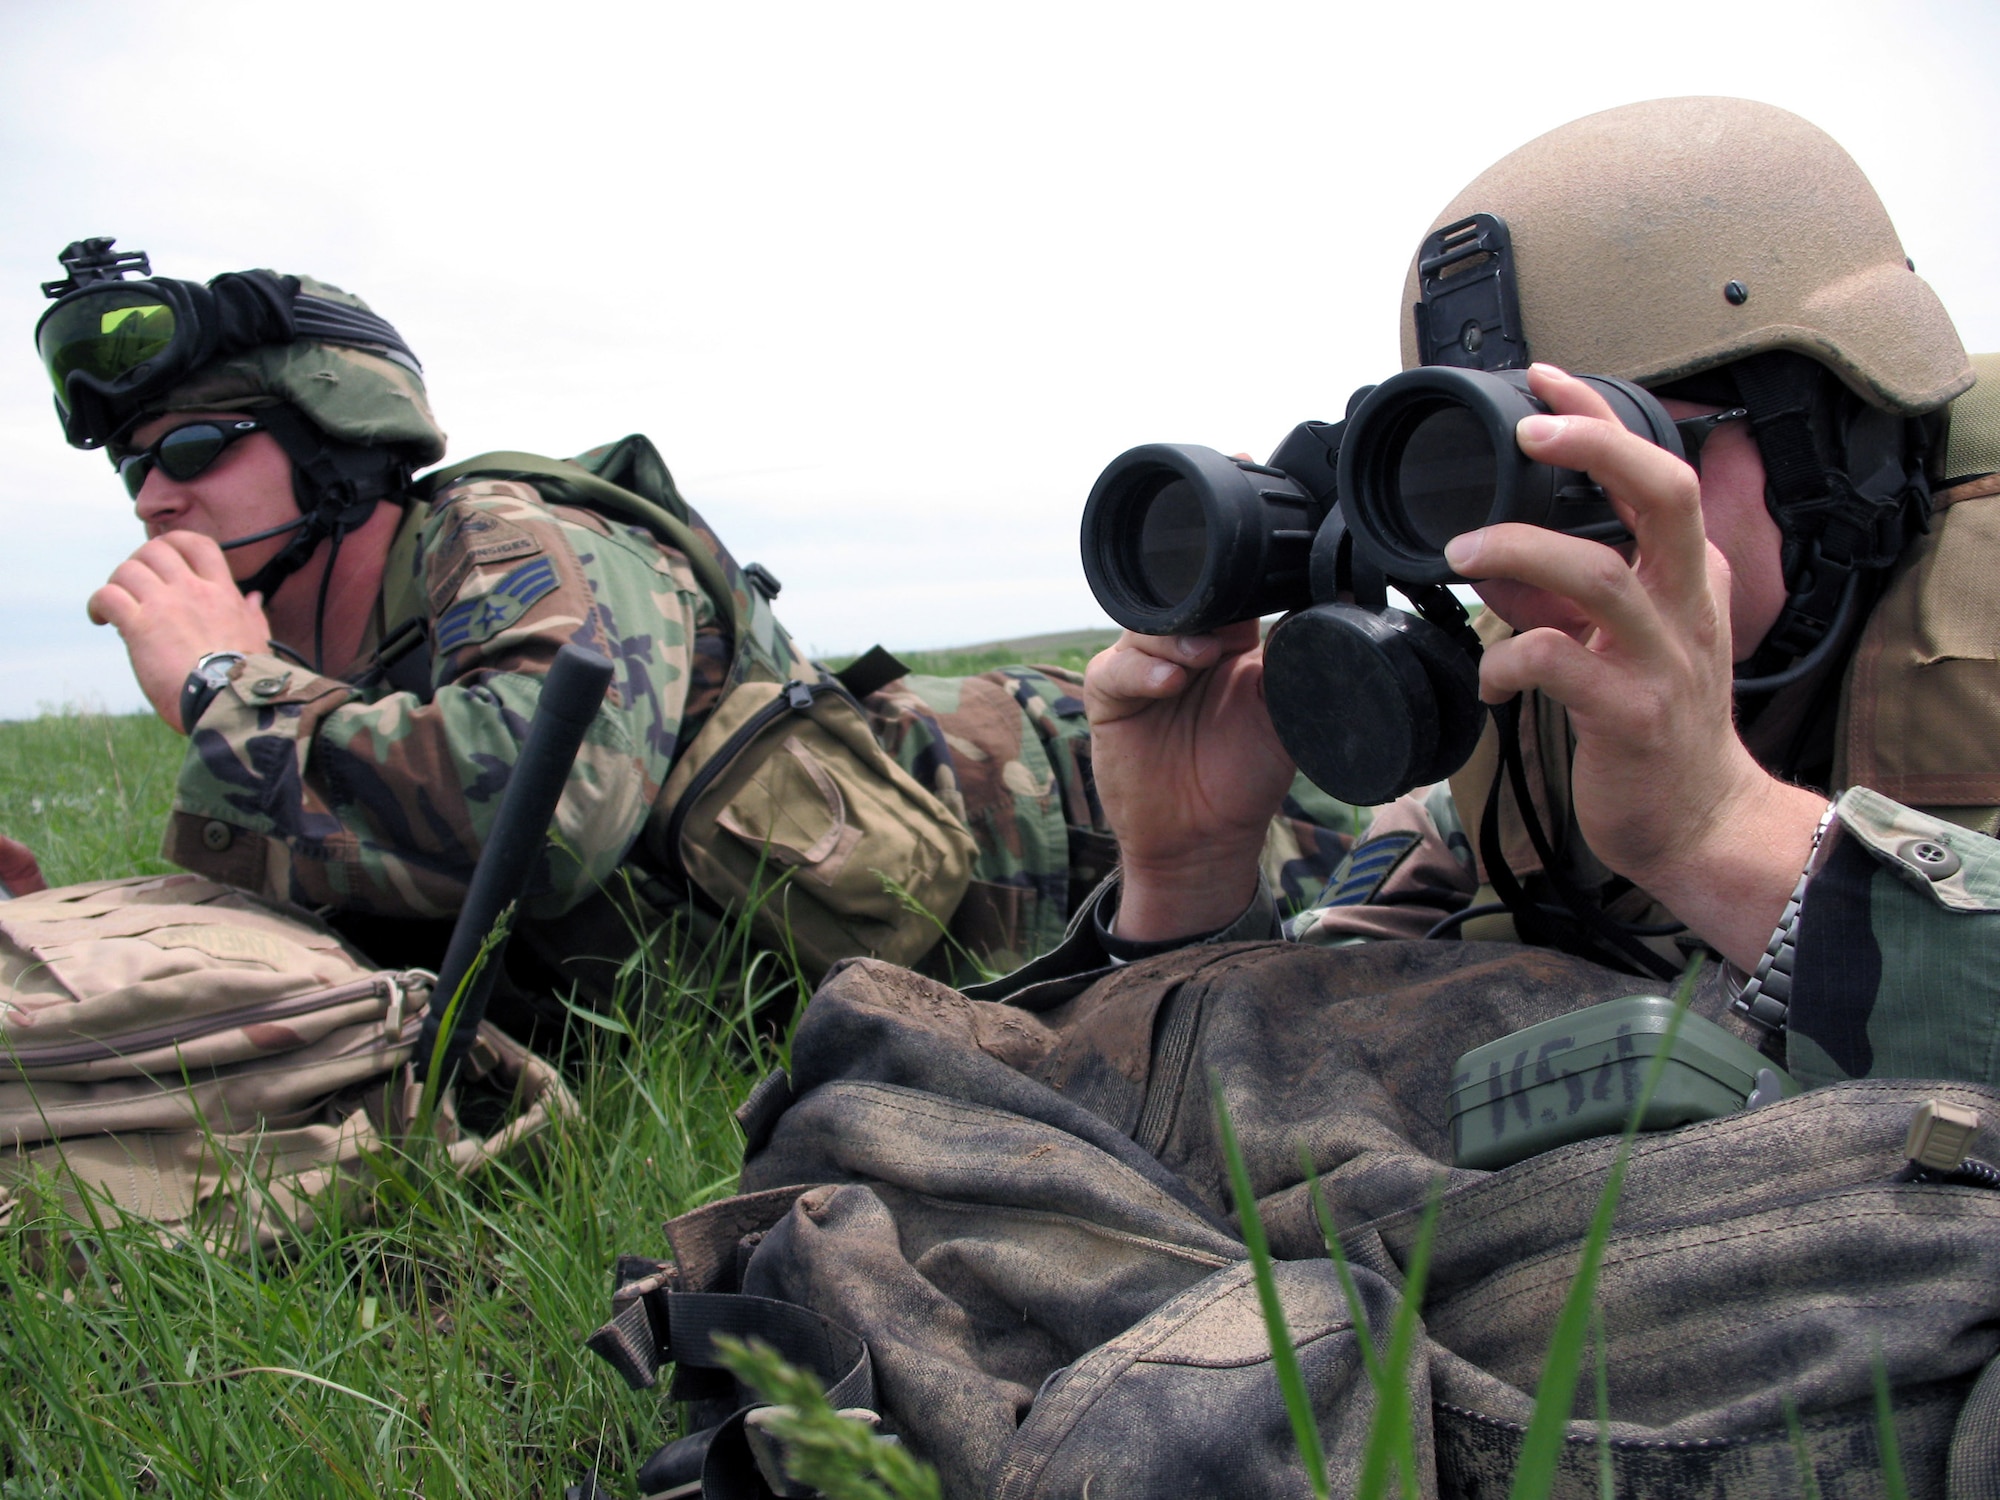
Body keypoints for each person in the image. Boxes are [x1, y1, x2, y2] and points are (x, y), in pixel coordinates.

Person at [28, 241, 1353, 1038]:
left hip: (1127, 807)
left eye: (197, 447)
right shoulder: (343, 679)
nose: (155, 497)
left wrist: (218, 683)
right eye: (134, 468)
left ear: (331, 436)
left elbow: (540, 810)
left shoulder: (503, 533)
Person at [981, 96, 2000, 1093]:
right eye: (1473, 480)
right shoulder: (1518, 739)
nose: (1520, 562)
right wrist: (1183, 876)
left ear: (1846, 443)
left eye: (1595, 469)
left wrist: (1719, 835)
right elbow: (1281, 1075)